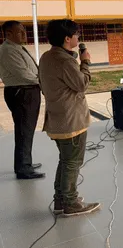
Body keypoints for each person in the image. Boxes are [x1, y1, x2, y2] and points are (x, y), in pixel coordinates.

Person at [39, 19, 101, 216]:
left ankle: (61, 200)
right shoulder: (65, 61)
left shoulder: (47, 57)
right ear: (67, 38)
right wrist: (85, 62)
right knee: (72, 162)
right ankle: (71, 203)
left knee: (65, 160)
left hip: (57, 117)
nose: (78, 38)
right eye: (76, 35)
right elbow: (81, 84)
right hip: (70, 120)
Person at [0, 21, 45, 179]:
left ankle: (25, 162)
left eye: (24, 31)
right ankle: (23, 168)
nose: (24, 34)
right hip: (21, 93)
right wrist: (42, 81)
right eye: (19, 32)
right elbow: (23, 73)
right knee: (24, 130)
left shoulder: (16, 47)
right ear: (9, 34)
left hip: (28, 91)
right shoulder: (7, 50)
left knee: (27, 129)